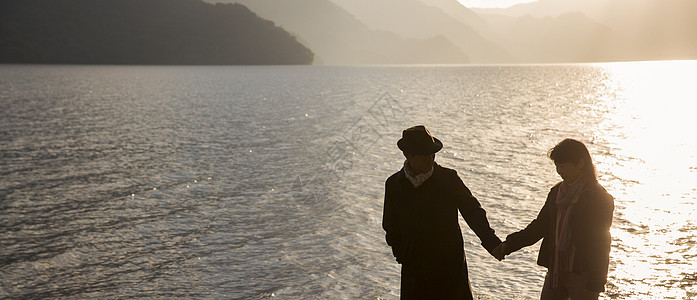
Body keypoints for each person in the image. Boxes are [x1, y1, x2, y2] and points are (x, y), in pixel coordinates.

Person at [382, 125, 503, 299]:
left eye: (432, 154)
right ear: (408, 155)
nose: (430, 159)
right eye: (424, 156)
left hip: (449, 267)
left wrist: (492, 243)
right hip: (414, 270)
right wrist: (401, 253)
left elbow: (472, 211)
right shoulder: (394, 184)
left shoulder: (448, 179)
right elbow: (390, 225)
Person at [492, 139, 614, 300]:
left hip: (582, 274)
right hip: (556, 269)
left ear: (580, 163)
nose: (559, 171)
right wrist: (509, 245)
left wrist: (597, 281)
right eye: (557, 166)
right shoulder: (557, 192)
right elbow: (540, 227)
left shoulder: (598, 197)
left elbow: (602, 242)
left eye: (563, 166)